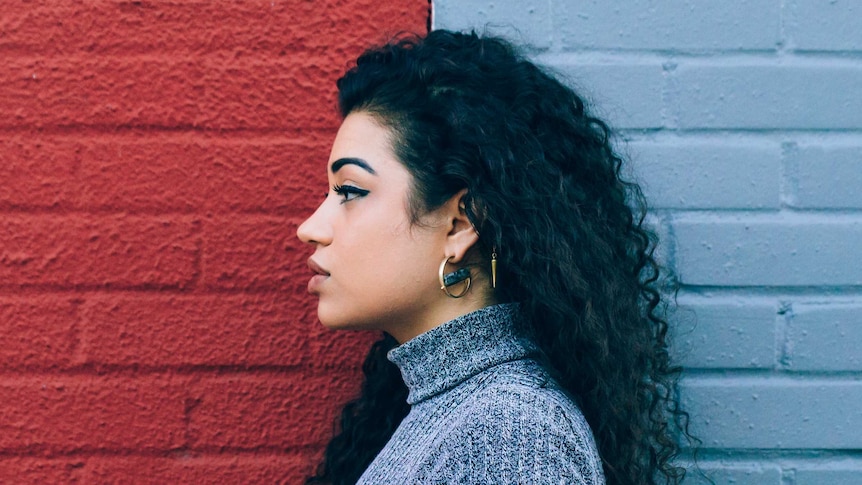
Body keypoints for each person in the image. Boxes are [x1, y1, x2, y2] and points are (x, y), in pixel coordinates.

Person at [297, 29, 695, 485]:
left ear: (461, 225)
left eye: (350, 191)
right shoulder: (460, 410)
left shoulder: (510, 433)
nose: (310, 228)